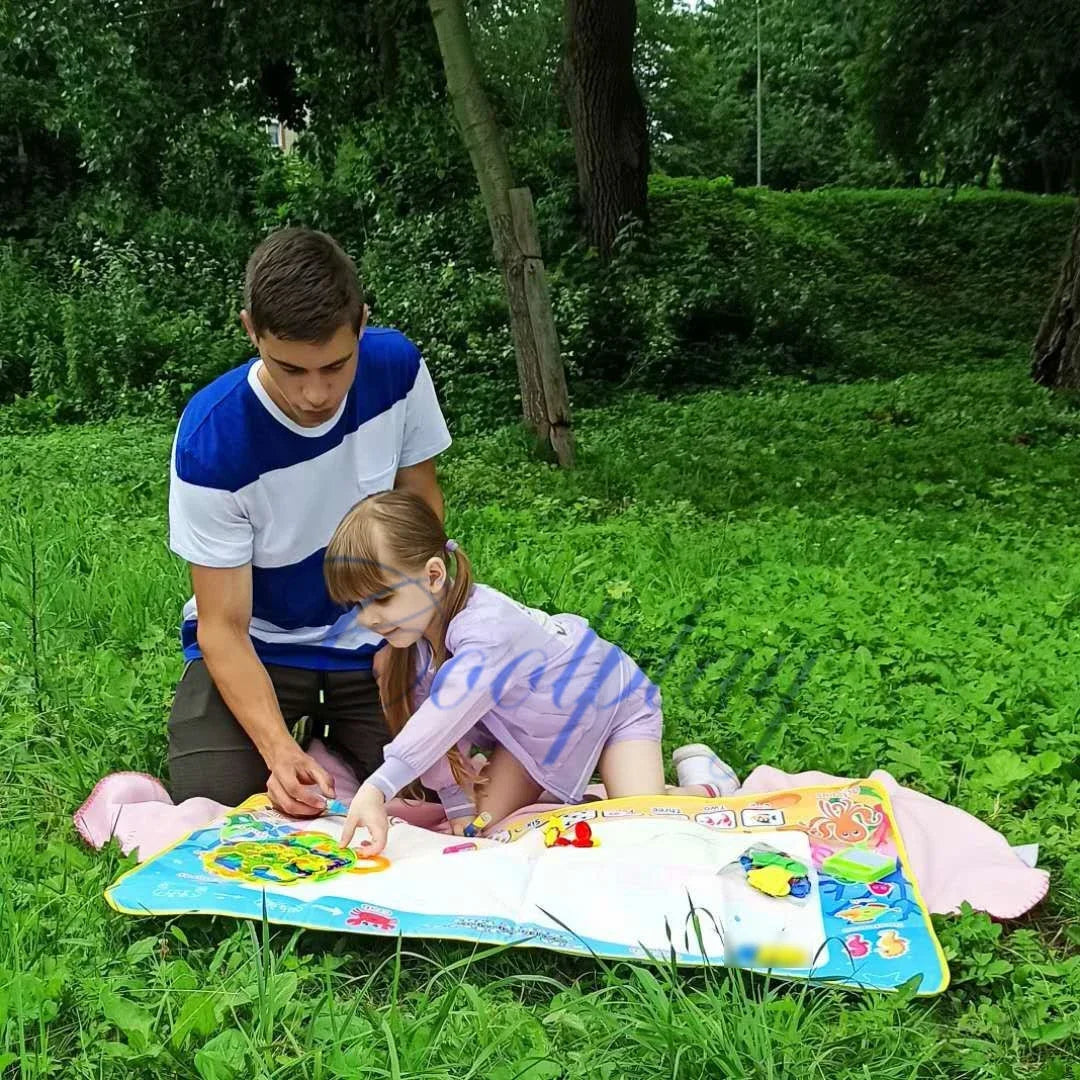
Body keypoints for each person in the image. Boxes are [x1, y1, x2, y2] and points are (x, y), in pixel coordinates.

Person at [166, 228, 452, 816]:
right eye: (290, 368)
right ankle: (308, 746)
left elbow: (420, 505)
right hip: (261, 644)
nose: (315, 392)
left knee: (437, 791)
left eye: (336, 365)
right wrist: (277, 750)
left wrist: (411, 633)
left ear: (362, 322)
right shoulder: (211, 441)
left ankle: (340, 742)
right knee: (212, 799)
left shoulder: (397, 369)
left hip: (377, 632)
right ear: (251, 330)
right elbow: (223, 628)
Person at [322, 490, 740, 852]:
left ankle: (705, 783)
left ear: (433, 575)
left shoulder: (487, 631)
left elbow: (442, 717)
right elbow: (435, 733)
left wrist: (378, 786)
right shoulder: (412, 649)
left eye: (380, 599)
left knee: (646, 825)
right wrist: (457, 804)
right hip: (531, 741)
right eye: (359, 606)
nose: (369, 619)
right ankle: (630, 788)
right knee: (478, 829)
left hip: (615, 708)